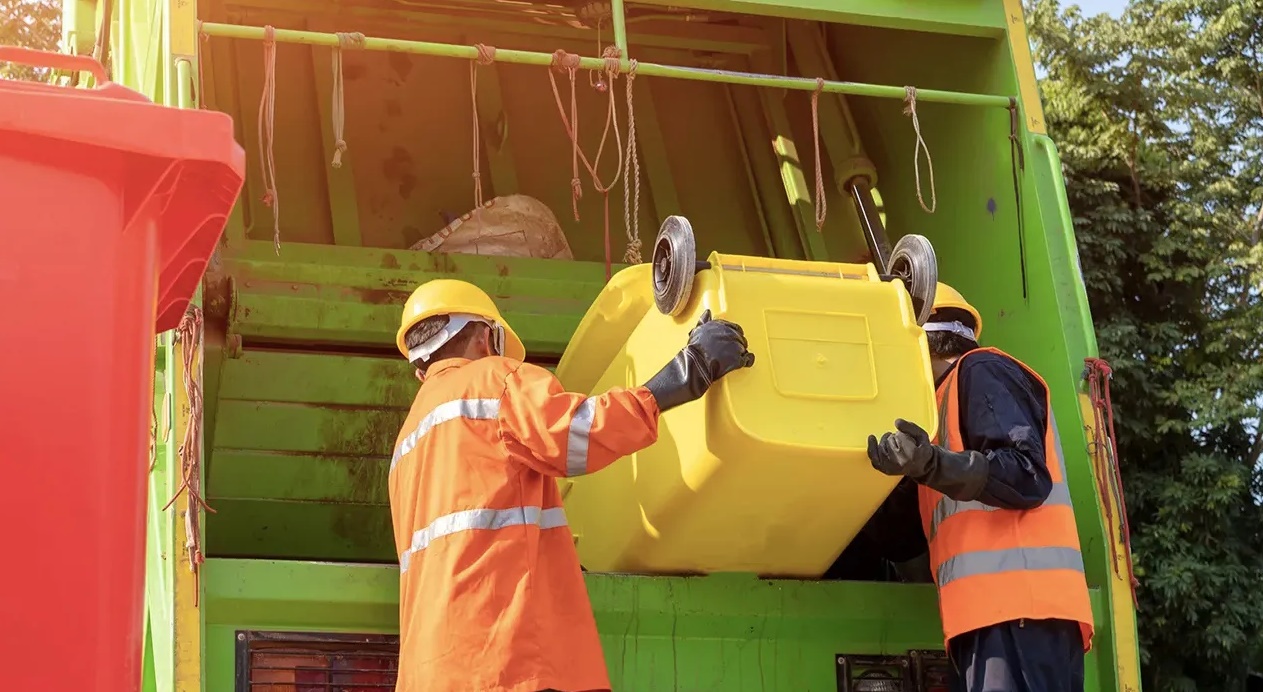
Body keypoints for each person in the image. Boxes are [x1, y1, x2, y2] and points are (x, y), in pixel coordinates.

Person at [388, 278, 755, 692]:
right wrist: (691, 369)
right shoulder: (494, 382)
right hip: (505, 659)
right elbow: (580, 433)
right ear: (484, 335)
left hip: (429, 671)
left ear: (422, 362)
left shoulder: (407, 443)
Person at [864, 282, 1095, 692]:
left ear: (918, 338)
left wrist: (931, 464)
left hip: (1023, 611)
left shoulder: (981, 369)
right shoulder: (935, 411)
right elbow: (901, 537)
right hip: (983, 621)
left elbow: (1026, 474)